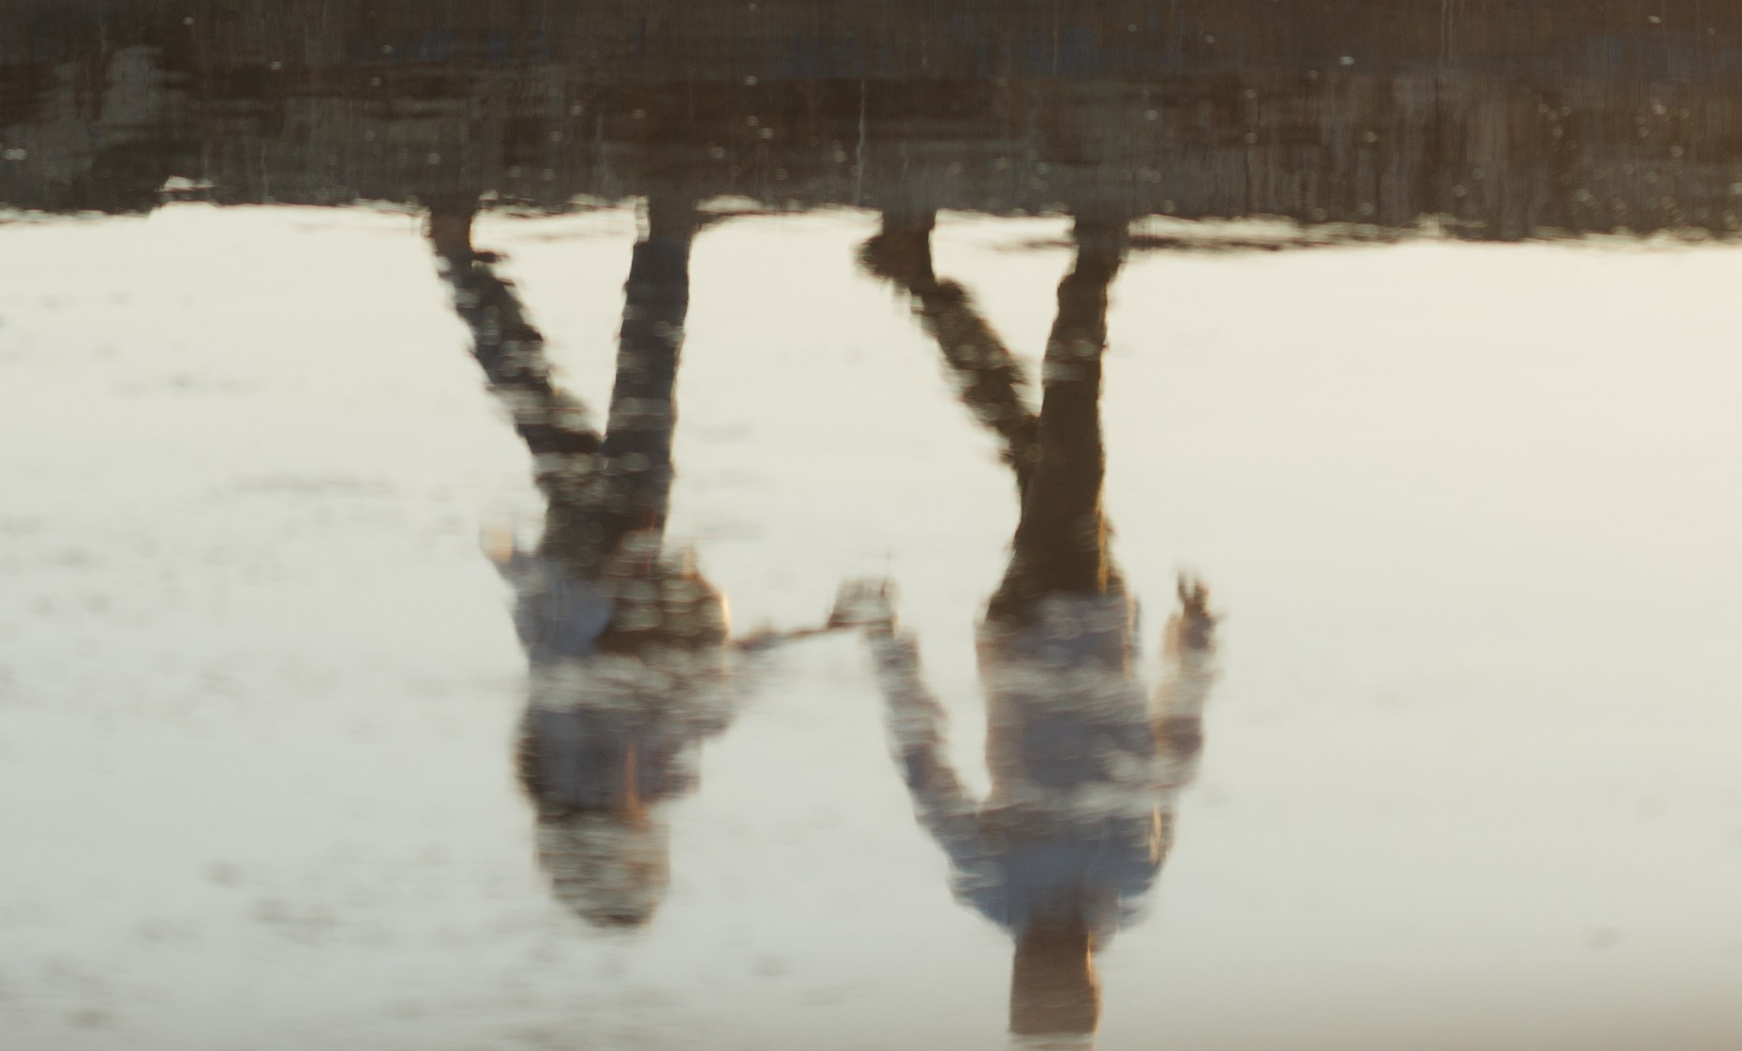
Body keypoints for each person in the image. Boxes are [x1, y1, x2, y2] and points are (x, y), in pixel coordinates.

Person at [847, 216, 1218, 1040]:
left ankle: (1091, 269)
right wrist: (1192, 650)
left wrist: (886, 643)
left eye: (1031, 987)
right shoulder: (1129, 877)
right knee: (1036, 445)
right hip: (1102, 616)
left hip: (1034, 624)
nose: (1041, 966)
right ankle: (918, 277)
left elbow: (925, 766)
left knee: (1072, 449)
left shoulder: (994, 885)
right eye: (1058, 987)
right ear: (1089, 983)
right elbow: (1168, 758)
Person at [428, 201, 843, 926]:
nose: (644, 836)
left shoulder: (572, 764)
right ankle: (471, 253)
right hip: (618, 573)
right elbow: (722, 679)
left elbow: (583, 660)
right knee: (556, 408)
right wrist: (824, 631)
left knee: (623, 397)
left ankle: (660, 237)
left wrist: (622, 570)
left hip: (595, 572)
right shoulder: (646, 779)